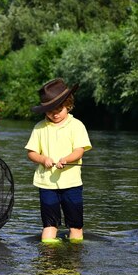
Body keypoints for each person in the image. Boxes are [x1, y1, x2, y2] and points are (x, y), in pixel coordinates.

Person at [25, 78, 92, 243]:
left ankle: (75, 250)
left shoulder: (76, 126)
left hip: (72, 184)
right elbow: (31, 153)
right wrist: (43, 159)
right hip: (47, 185)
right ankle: (48, 253)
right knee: (49, 224)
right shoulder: (40, 127)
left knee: (75, 224)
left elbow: (79, 150)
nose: (54, 114)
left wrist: (66, 159)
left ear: (68, 105)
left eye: (59, 109)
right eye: (49, 111)